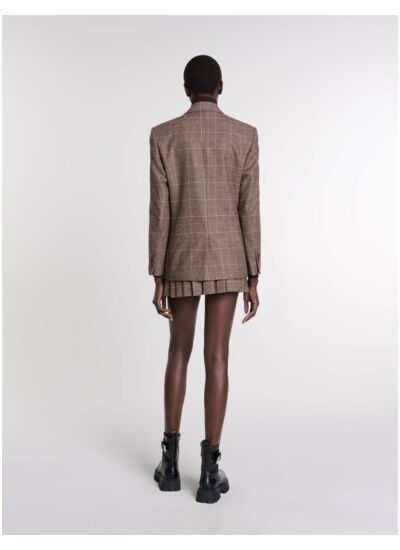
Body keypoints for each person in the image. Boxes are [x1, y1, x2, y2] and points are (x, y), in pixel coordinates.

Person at [149, 55, 261, 503]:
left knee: (178, 351)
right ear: (220, 87)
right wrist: (253, 273)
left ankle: (170, 464)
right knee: (217, 358)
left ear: (185, 89)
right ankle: (210, 473)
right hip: (229, 258)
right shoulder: (244, 135)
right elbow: (249, 209)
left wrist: (158, 273)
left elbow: (160, 211)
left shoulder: (164, 135)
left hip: (180, 255)